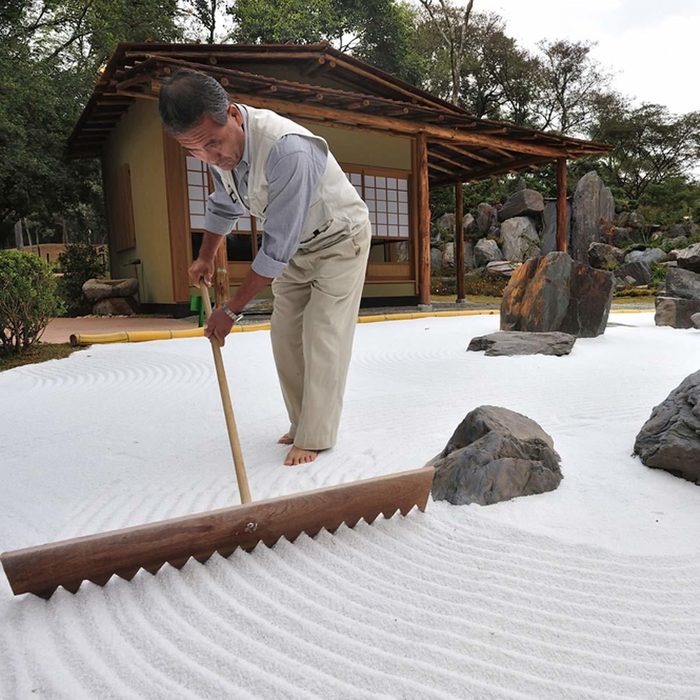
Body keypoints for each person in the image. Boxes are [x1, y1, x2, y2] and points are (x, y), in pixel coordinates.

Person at [158, 68, 371, 467]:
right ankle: (301, 421)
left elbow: (276, 248)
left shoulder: (286, 149)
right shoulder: (216, 147)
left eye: (213, 145)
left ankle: (316, 435)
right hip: (296, 249)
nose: (210, 157)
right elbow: (224, 204)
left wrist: (231, 310)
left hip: (340, 240)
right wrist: (205, 255)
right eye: (195, 151)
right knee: (285, 334)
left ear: (234, 115)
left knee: (322, 333)